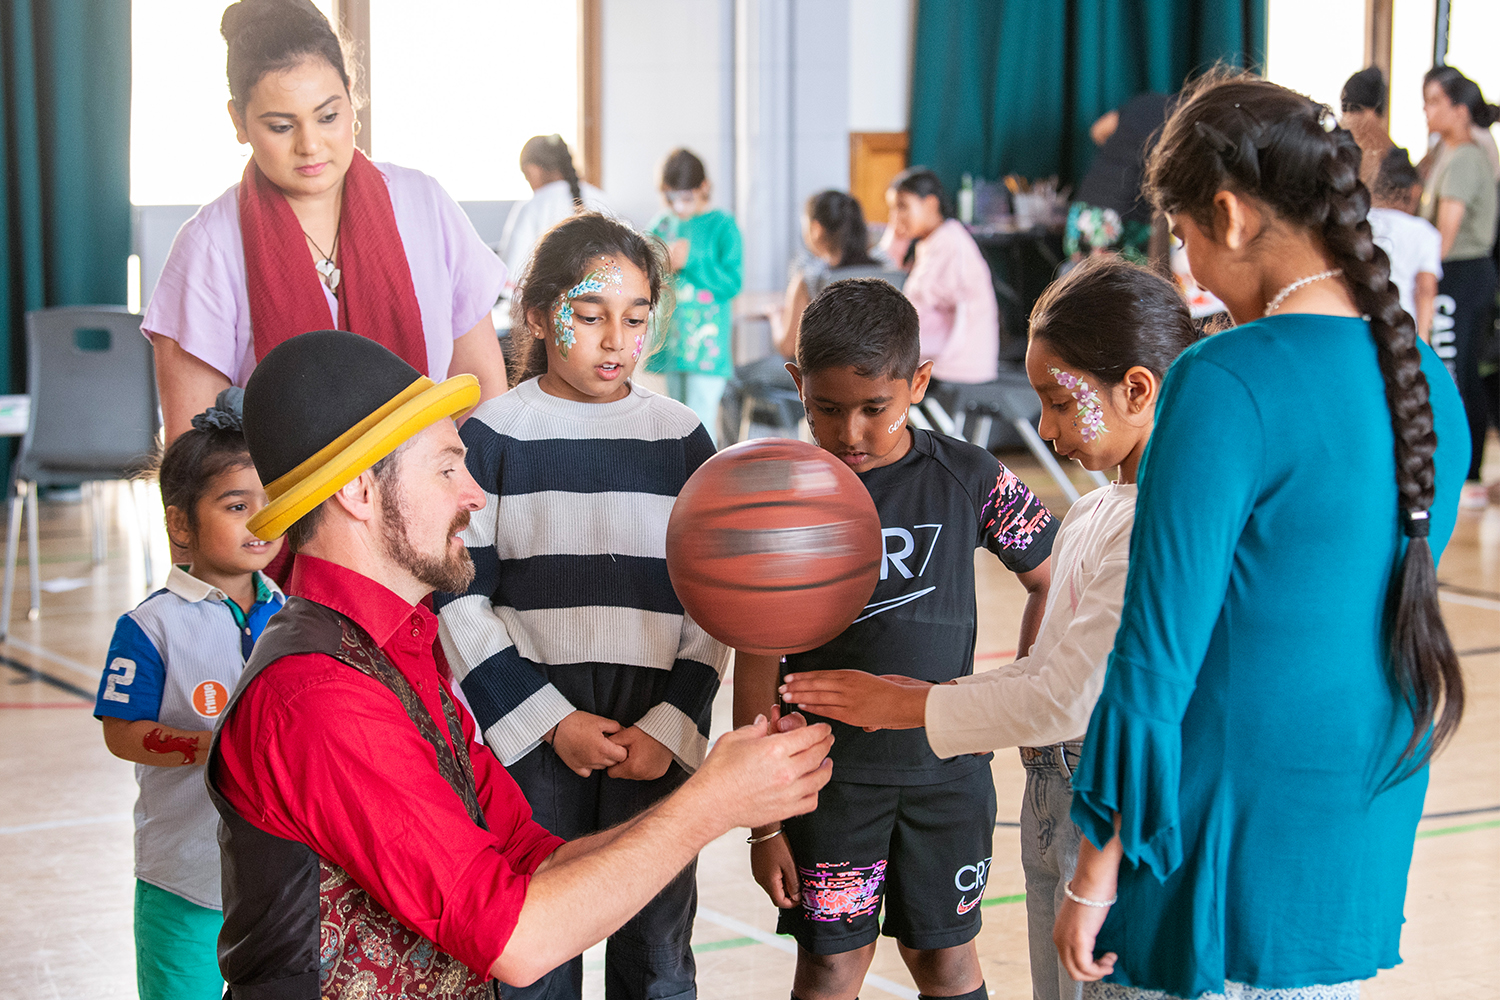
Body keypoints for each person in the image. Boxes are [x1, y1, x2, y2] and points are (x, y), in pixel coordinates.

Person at [206, 329, 834, 997]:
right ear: (360, 493)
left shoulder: (399, 653)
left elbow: (536, 863)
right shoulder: (319, 696)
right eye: (448, 468)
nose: (473, 494)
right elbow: (517, 938)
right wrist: (714, 801)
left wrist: (726, 789)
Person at [1051, 71, 1469, 1000]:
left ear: (1232, 216)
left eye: (1188, 239)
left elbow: (1156, 662)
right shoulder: (1428, 388)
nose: (1188, 272)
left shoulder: (1222, 382)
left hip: (1213, 838)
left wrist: (1095, 866)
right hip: (1357, 820)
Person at [779, 255, 1199, 1000]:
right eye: (829, 407)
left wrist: (906, 704)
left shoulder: (1157, 525)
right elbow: (1047, 680)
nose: (1043, 427)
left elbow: (1070, 697)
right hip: (1014, 789)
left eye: (1059, 404)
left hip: (1079, 804)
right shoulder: (1101, 509)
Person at [735, 278, 1057, 1000]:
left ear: (917, 383)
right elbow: (753, 652)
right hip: (829, 790)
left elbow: (1055, 578)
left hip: (948, 783)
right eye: (826, 408)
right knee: (829, 968)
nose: (850, 432)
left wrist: (1020, 695)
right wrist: (763, 822)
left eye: (874, 409)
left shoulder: (970, 475)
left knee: (946, 964)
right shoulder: (777, 495)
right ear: (797, 385)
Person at [434, 213, 728, 1000]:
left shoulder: (684, 440)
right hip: (532, 741)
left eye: (635, 320)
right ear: (538, 316)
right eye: (590, 316)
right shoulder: (492, 437)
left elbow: (716, 604)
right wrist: (545, 721)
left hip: (653, 733)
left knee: (658, 958)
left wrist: (672, 725)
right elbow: (461, 599)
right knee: (533, 953)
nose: (614, 340)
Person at [145, 0, 508, 446]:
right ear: (238, 121)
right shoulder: (208, 247)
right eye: (281, 126)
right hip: (282, 510)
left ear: (351, 97)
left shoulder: (425, 204)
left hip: (435, 499)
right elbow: (197, 454)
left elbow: (483, 397)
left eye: (328, 116)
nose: (311, 145)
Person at [94, 390, 285, 1000]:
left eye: (269, 502)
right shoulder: (151, 627)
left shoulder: (295, 616)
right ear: (181, 522)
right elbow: (121, 732)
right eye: (236, 505)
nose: (259, 521)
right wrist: (207, 747)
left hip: (277, 882)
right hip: (184, 879)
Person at [721, 190, 904, 444]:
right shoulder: (887, 273)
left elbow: (789, 347)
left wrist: (777, 317)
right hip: (876, 378)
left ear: (816, 229)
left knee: (732, 380)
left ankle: (731, 466)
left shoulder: (809, 279)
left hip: (822, 379)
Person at [1420, 66, 1499, 509]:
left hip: (1462, 273)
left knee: (1454, 371)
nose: (1427, 110)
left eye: (1434, 101)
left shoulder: (1466, 156)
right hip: (1455, 274)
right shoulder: (1447, 155)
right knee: (1455, 368)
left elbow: (1446, 231)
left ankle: (1464, 474)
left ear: (1459, 109)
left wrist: (1428, 277)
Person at [645, 148, 744, 441]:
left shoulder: (722, 225)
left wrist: (693, 261)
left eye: (686, 197)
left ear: (703, 188)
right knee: (675, 422)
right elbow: (643, 272)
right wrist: (661, 262)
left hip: (707, 349)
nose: (679, 207)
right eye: (672, 198)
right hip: (671, 344)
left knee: (701, 422)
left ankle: (706, 485)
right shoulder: (661, 225)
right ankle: (679, 484)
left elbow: (733, 282)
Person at [880, 168, 1000, 385]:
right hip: (942, 355)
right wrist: (896, 240)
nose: (895, 218)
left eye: (902, 207)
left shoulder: (949, 242)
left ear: (931, 203)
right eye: (892, 209)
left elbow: (910, 304)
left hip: (958, 363)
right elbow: (883, 275)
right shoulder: (935, 240)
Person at [496, 135, 610, 309]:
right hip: (603, 309)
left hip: (548, 314)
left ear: (532, 170)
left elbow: (511, 278)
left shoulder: (532, 207)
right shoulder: (602, 199)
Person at [1069, 92, 1174, 262]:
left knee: (1083, 283)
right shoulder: (1185, 121)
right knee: (1125, 284)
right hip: (1127, 220)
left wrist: (1120, 154)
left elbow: (1097, 130)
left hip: (1084, 213)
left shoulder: (1146, 102)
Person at [1368, 147, 1442, 342]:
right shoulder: (1424, 232)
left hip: (1362, 320)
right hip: (1404, 326)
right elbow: (1425, 290)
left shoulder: (1360, 223)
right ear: (1415, 191)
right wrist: (1424, 338)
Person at [1340, 66, 1395, 192]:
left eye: (1350, 109)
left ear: (1371, 113)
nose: (1345, 118)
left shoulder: (1397, 165)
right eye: (1344, 110)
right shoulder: (1343, 155)